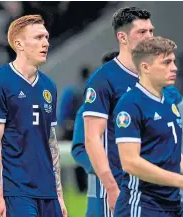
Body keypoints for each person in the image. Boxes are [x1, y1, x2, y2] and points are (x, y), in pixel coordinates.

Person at [0, 15, 67, 217]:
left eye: (46, 37)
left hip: (47, 191)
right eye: (38, 38)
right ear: (19, 44)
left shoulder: (49, 86)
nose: (45, 43)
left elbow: (51, 142)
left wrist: (59, 194)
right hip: (16, 190)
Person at [113, 36, 183, 217]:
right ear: (145, 67)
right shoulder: (130, 104)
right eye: (166, 63)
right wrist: (181, 181)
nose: (174, 67)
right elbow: (130, 163)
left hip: (172, 205)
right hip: (142, 206)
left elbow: (169, 147)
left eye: (173, 61)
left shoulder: (169, 100)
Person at [83, 6, 153, 214]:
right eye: (142, 32)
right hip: (121, 187)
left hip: (155, 188)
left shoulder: (154, 77)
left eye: (151, 31)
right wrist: (111, 187)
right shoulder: (104, 80)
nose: (149, 37)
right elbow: (92, 138)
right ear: (122, 38)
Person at [71, 50, 119, 217]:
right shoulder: (87, 110)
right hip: (100, 190)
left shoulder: (137, 106)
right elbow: (79, 149)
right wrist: (102, 170)